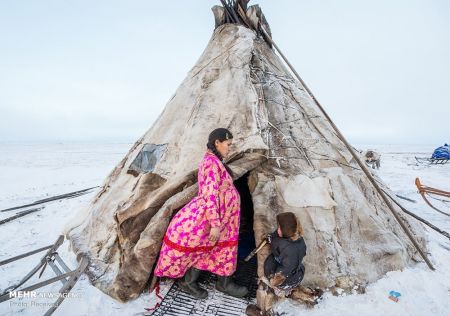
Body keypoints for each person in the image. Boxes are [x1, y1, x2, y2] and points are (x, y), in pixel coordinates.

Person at [153, 128, 248, 299]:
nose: (230, 148)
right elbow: (209, 195)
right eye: (228, 144)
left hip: (225, 216)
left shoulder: (215, 160)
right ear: (217, 143)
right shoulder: (211, 163)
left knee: (216, 248)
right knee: (204, 247)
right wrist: (215, 225)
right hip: (215, 216)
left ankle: (223, 283)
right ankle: (189, 282)